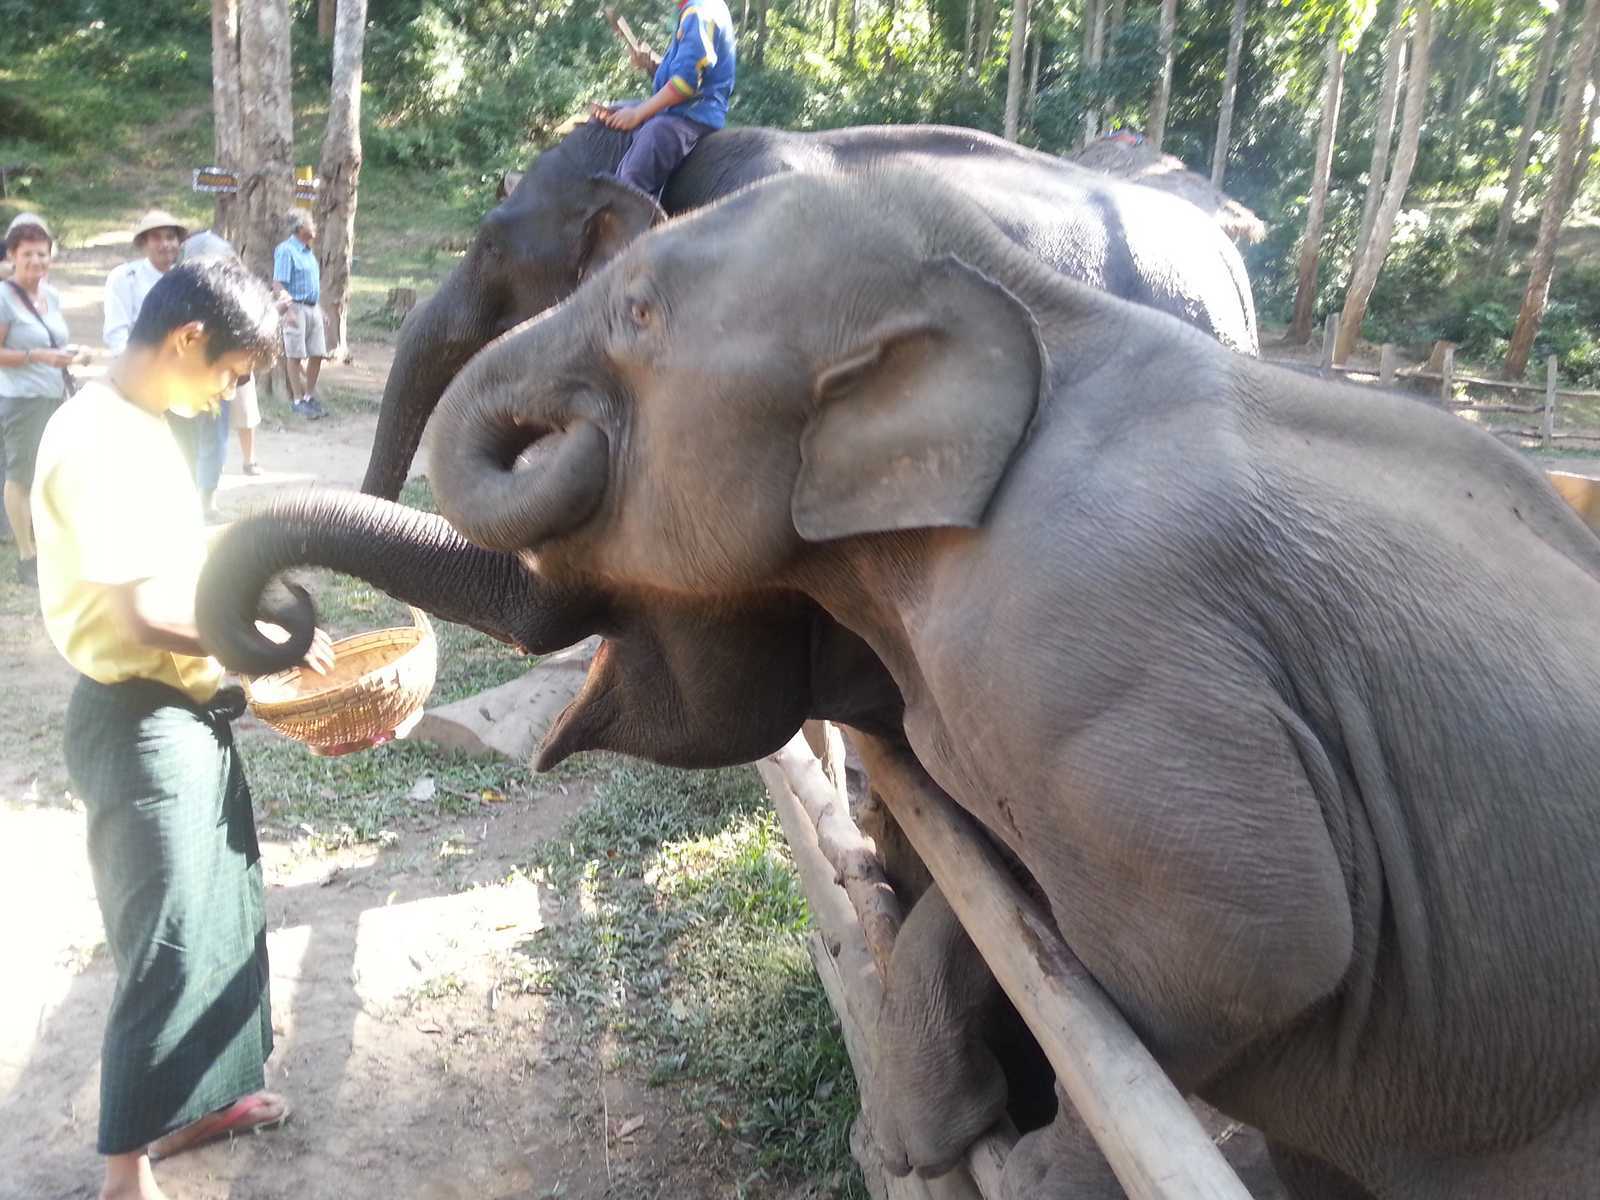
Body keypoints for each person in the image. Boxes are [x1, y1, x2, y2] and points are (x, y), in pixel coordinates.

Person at [32, 257, 335, 1200]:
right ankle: (126, 1173)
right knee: (163, 942)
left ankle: (203, 1104)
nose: (227, 395)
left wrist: (259, 604)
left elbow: (179, 561)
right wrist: (262, 643)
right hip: (137, 723)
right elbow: (141, 616)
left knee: (220, 911)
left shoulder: (144, 423)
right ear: (187, 339)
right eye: (231, 375)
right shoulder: (94, 438)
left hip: (185, 713)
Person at [0, 212, 79, 585]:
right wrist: (38, 357)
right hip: (22, 400)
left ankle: (49, 544)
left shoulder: (52, 295)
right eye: (27, 254)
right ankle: (26, 556)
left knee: (52, 472)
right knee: (21, 475)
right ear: (12, 256)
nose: (36, 261)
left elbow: (55, 340)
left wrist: (70, 355)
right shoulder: (4, 297)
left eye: (42, 254)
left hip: (55, 395)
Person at [591, 0, 737, 197]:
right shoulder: (697, 8)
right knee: (617, 109)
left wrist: (637, 114)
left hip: (691, 116)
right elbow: (685, 69)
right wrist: (651, 63)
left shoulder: (698, 12)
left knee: (629, 183)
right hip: (681, 110)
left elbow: (685, 85)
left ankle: (628, 208)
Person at [180, 230, 265, 516]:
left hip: (220, 380)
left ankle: (206, 502)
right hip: (185, 381)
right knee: (186, 440)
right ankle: (187, 501)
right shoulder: (179, 296)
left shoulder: (235, 295)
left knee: (214, 440)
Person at [271, 209, 327, 420]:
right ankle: (297, 400)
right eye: (311, 223)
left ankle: (309, 396)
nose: (315, 227)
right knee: (294, 355)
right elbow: (278, 284)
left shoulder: (308, 252)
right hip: (295, 307)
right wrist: (288, 309)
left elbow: (311, 285)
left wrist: (319, 309)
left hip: (312, 308)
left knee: (317, 353)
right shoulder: (286, 250)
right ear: (300, 227)